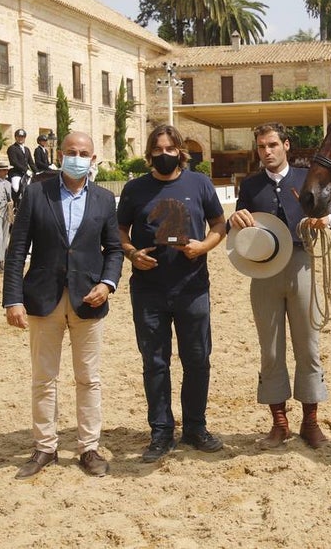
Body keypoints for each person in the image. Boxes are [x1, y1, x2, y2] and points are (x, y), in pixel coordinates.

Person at [2, 131, 123, 480]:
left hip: (89, 299)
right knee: (44, 378)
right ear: (59, 154)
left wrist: (107, 283)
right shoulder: (37, 193)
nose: (77, 157)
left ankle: (88, 447)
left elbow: (113, 249)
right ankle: (45, 447)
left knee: (89, 378)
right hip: (43, 298)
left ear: (93, 159)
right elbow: (16, 251)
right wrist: (13, 299)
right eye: (71, 151)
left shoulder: (103, 199)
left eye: (83, 152)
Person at [228, 122, 331, 449]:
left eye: (272, 145)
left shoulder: (307, 177)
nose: (266, 152)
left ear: (286, 145)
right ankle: (279, 423)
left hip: (302, 265)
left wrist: (326, 220)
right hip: (263, 270)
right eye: (261, 147)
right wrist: (234, 219)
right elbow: (238, 225)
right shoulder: (251, 186)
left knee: (308, 347)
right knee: (270, 350)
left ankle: (310, 422)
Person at [117, 124, 227, 462]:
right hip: (148, 291)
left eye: (170, 149)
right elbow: (119, 230)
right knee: (154, 362)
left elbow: (219, 224)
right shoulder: (135, 189)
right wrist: (132, 253)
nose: (164, 155)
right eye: (157, 150)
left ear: (180, 151)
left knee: (197, 360)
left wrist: (203, 246)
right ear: (149, 153)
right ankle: (161, 433)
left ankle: (195, 427)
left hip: (192, 287)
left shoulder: (200, 183)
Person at [7, 129, 33, 208]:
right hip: (16, 173)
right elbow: (14, 162)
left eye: (22, 137)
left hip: (26, 173)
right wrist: (26, 170)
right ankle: (14, 206)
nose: (20, 138)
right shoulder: (12, 148)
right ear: (15, 137)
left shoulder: (27, 149)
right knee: (15, 187)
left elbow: (31, 162)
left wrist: (38, 172)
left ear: (24, 138)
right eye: (19, 137)